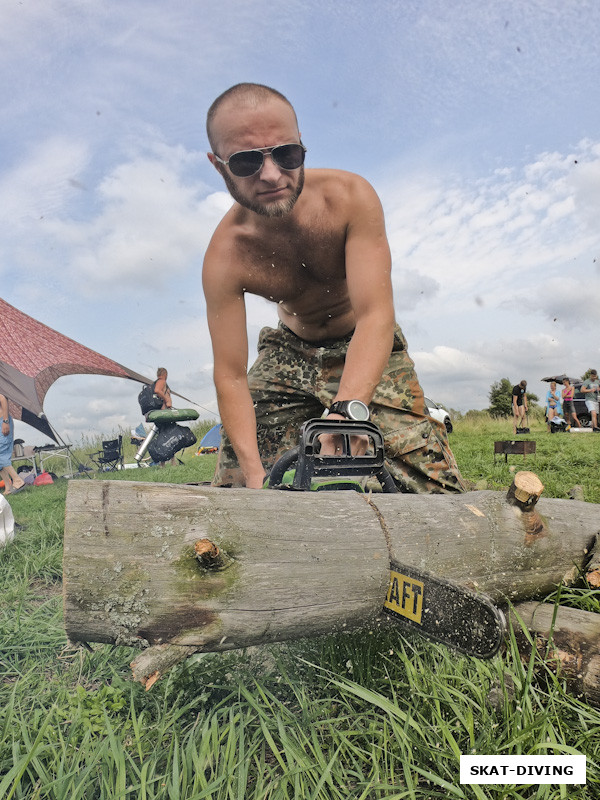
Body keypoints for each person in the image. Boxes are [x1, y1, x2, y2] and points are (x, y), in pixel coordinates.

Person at [202, 83, 465, 493]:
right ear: (218, 166)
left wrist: (348, 410)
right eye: (246, 162)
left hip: (361, 341)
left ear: (302, 145)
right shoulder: (225, 256)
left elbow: (376, 316)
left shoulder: (350, 198)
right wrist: (254, 477)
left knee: (437, 492)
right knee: (236, 486)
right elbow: (230, 376)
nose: (271, 175)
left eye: (286, 154)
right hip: (288, 351)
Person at [0, 394, 25, 495]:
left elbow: (2, 398)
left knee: (1, 454)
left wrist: (5, 421)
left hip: (2, 421)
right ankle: (8, 487)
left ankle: (18, 480)